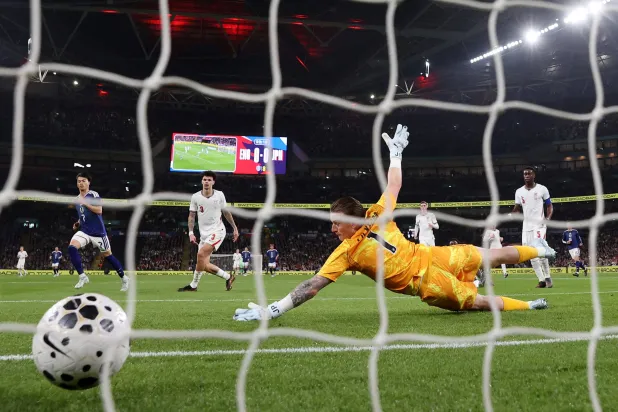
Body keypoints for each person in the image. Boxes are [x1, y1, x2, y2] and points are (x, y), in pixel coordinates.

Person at [233, 125, 551, 321]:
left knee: (491, 256)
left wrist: (396, 154)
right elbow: (312, 286)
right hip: (424, 281)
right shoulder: (350, 247)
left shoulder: (370, 221)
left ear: (349, 218)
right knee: (477, 302)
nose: (332, 229)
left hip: (431, 259)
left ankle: (538, 251)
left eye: (335, 223)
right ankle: (529, 305)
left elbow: (393, 185)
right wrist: (272, 309)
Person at [178, 171, 239, 292]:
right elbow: (191, 216)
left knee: (200, 255)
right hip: (204, 235)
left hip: (218, 231)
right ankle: (228, 277)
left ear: (213, 182)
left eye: (209, 180)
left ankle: (193, 285)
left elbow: (226, 212)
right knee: (203, 265)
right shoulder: (195, 197)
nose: (206, 182)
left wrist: (235, 228)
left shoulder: (219, 195)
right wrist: (191, 233)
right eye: (205, 179)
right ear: (202, 181)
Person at [70, 173, 129, 291]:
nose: (81, 183)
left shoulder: (93, 195)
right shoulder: (77, 199)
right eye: (79, 181)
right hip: (85, 231)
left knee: (109, 256)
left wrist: (87, 203)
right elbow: (82, 215)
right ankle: (82, 276)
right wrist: (78, 223)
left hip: (98, 233)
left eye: (83, 180)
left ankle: (124, 279)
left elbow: (99, 210)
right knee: (72, 247)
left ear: (88, 182)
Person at [512, 167, 554, 288]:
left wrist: (548, 218)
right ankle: (541, 280)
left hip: (539, 225)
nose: (527, 175)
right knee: (531, 254)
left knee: (540, 251)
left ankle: (547, 277)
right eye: (525, 174)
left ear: (534, 175)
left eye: (529, 173)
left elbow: (549, 205)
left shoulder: (542, 189)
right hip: (526, 226)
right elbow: (517, 208)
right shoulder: (519, 192)